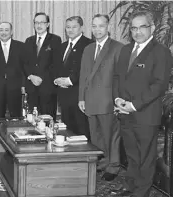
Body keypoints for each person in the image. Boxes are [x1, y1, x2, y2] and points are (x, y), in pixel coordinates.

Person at [111, 11, 172, 197]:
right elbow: (117, 78)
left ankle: (142, 192)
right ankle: (131, 186)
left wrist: (133, 105)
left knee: (146, 156)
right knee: (131, 154)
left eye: (142, 27)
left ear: (152, 28)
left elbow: (159, 85)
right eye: (134, 28)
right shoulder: (126, 49)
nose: (137, 32)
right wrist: (117, 99)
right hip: (124, 112)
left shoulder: (160, 51)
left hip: (145, 114)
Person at [78, 14, 123, 182]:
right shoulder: (88, 49)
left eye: (101, 26)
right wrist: (81, 98)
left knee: (111, 135)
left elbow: (120, 77)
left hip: (108, 100)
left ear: (108, 27)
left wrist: (118, 100)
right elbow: (83, 75)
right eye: (94, 26)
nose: (97, 30)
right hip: (90, 99)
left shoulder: (118, 48)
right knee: (96, 135)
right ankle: (102, 162)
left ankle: (114, 166)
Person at [54, 16, 93, 138]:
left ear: (81, 28)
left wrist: (70, 80)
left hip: (79, 97)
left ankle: (84, 156)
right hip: (64, 97)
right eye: (68, 27)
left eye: (74, 27)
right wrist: (57, 79)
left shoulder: (89, 45)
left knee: (81, 131)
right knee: (68, 131)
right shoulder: (62, 46)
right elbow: (57, 66)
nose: (70, 30)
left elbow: (88, 69)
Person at [24, 12, 62, 118]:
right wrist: (31, 76)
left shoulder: (55, 40)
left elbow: (56, 64)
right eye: (36, 22)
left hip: (48, 88)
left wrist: (41, 78)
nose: (39, 25)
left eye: (42, 22)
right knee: (32, 121)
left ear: (48, 24)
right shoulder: (29, 41)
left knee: (47, 121)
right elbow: (25, 63)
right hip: (32, 88)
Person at [0, 22, 28, 118]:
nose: (4, 32)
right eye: (1, 30)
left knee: (16, 116)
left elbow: (24, 67)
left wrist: (23, 84)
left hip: (15, 87)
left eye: (6, 30)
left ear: (11, 32)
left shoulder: (21, 46)